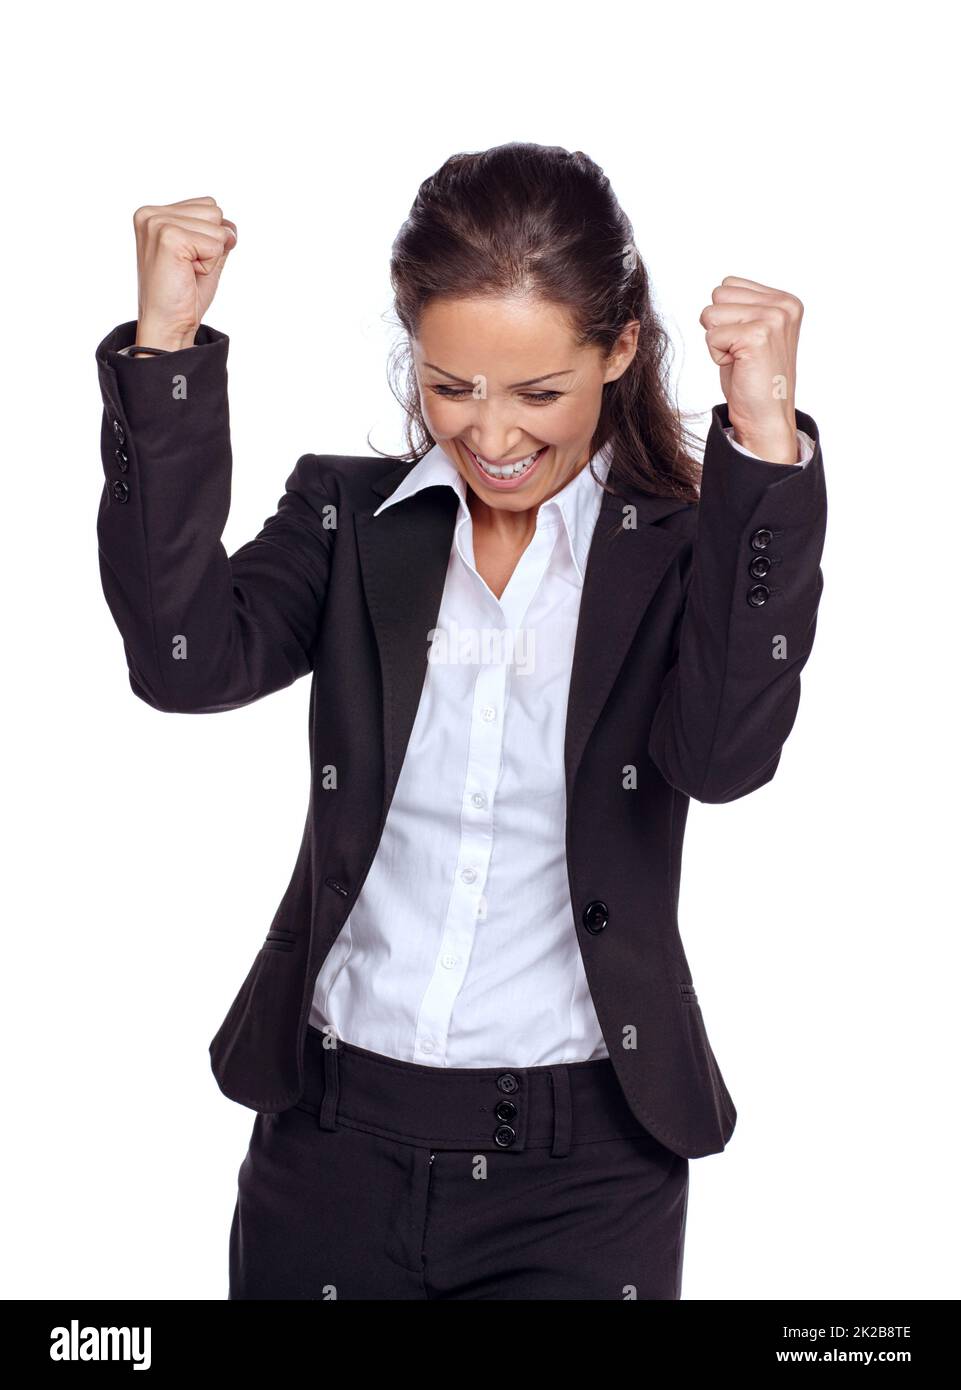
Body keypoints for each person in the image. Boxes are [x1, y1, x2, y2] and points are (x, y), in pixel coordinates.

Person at [94, 142, 827, 1300]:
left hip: (583, 1172)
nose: (490, 437)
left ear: (622, 348)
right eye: (451, 385)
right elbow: (184, 662)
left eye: (538, 392)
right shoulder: (346, 518)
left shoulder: (682, 553)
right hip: (329, 1142)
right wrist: (165, 353)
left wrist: (766, 441)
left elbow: (725, 757)